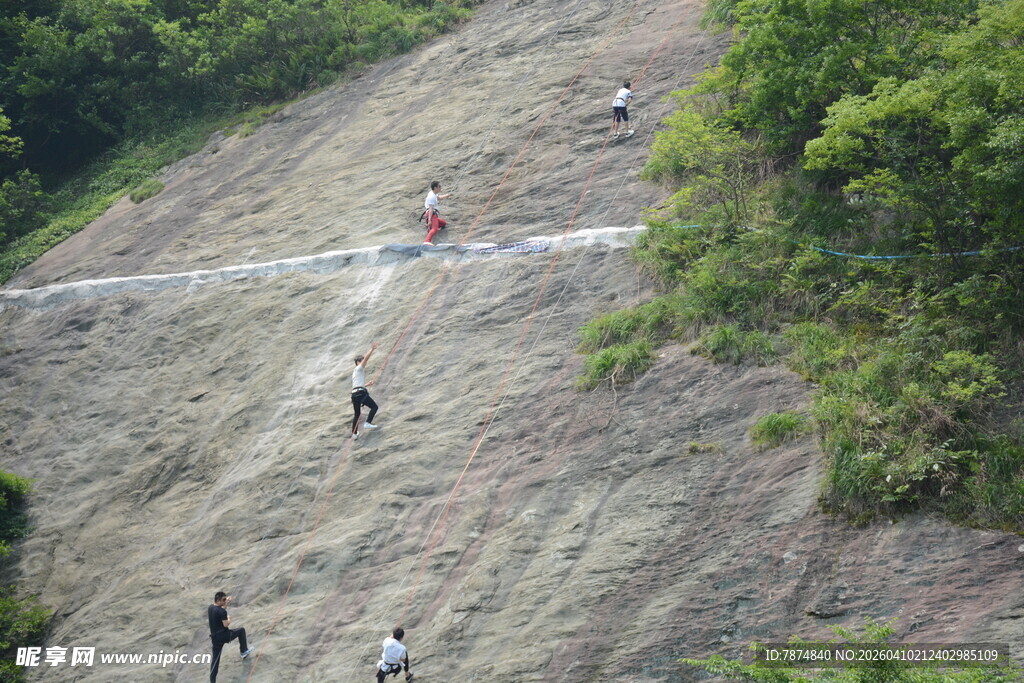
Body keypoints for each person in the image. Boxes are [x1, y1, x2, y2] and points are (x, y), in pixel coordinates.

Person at [208, 591, 254, 683]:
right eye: (224, 600)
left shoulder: (210, 607)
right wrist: (229, 618)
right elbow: (226, 624)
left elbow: (221, 610)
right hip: (225, 635)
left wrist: (226, 603)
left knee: (215, 661)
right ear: (218, 600)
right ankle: (243, 651)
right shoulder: (222, 611)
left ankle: (212, 681)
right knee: (241, 630)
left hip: (215, 638)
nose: (225, 601)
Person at [351, 342, 379, 439]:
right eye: (362, 361)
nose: (364, 362)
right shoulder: (359, 368)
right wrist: (372, 349)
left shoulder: (355, 372)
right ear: (358, 362)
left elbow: (357, 385)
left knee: (357, 414)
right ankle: (368, 423)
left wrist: (367, 384)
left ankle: (354, 434)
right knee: (374, 407)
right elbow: (366, 358)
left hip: (354, 394)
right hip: (360, 393)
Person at [423, 180, 451, 245]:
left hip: (432, 215)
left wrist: (445, 196)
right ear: (435, 188)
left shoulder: (433, 193)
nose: (440, 188)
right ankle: (427, 241)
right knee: (435, 229)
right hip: (432, 214)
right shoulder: (431, 197)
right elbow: (431, 209)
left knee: (443, 223)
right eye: (439, 186)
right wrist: (429, 220)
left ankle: (430, 226)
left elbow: (438, 198)